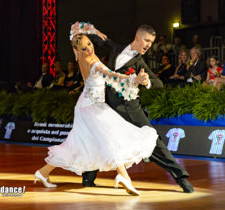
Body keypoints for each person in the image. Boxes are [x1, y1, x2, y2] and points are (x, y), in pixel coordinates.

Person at [34, 22, 158, 196]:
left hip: (86, 104)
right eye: (84, 48)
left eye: (90, 44)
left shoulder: (78, 55)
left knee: (75, 146)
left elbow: (74, 29)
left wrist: (93, 31)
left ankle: (43, 172)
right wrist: (133, 80)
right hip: (91, 107)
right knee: (110, 138)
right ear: (78, 50)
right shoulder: (93, 62)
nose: (89, 49)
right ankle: (124, 177)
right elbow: (113, 76)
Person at [85, 23, 194, 193]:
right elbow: (99, 39)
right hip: (109, 106)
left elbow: (159, 83)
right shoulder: (117, 49)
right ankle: (88, 177)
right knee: (99, 139)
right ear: (137, 37)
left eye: (151, 42)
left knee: (153, 142)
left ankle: (182, 177)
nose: (149, 45)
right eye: (147, 40)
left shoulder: (139, 62)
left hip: (130, 109)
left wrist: (146, 81)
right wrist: (80, 30)